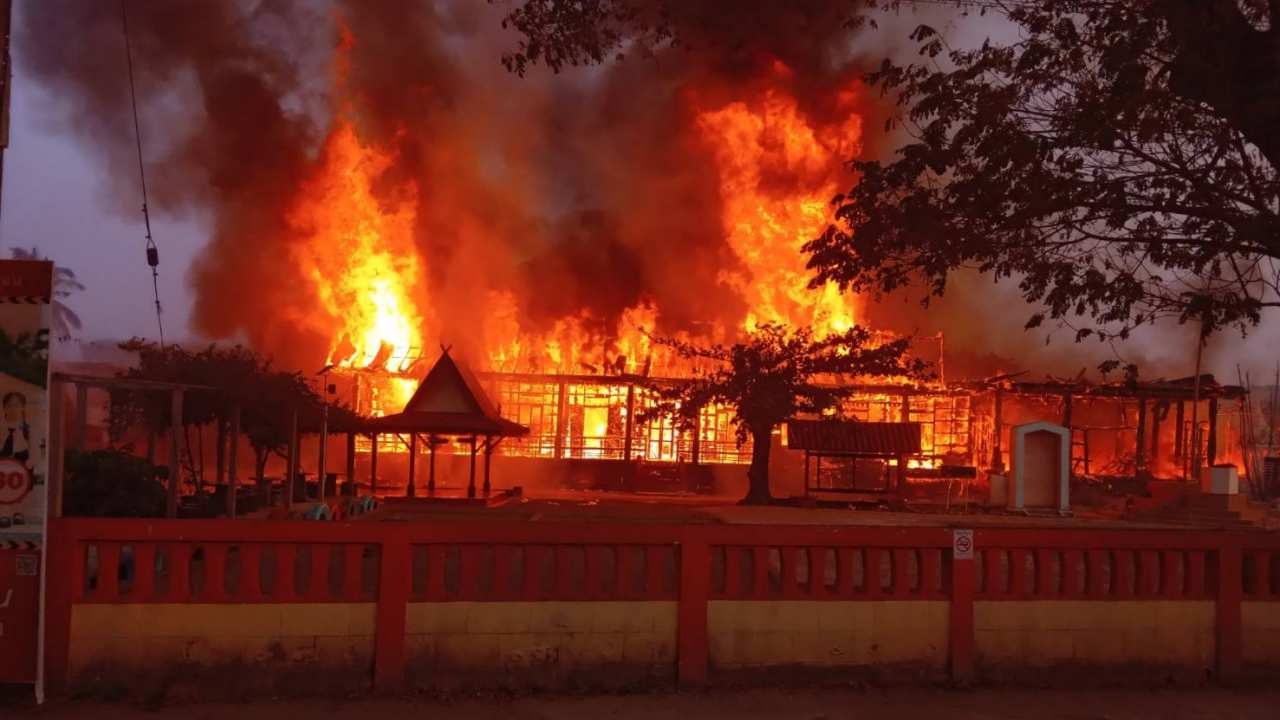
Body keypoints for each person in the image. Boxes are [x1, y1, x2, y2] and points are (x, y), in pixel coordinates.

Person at [0, 391, 31, 463]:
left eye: (16, 405)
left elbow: (33, 456)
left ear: (23, 407)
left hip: (21, 466)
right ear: (4, 407)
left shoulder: (28, 429)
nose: (13, 408)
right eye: (9, 405)